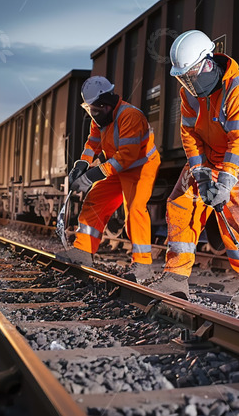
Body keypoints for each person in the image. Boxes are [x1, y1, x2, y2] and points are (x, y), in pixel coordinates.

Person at [146, 29, 239, 308]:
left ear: (208, 63)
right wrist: (199, 172)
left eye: (191, 75)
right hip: (207, 156)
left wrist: (224, 183)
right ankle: (175, 277)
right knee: (180, 204)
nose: (187, 82)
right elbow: (189, 133)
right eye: (183, 77)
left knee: (237, 216)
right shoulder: (190, 92)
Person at [55, 76, 161, 281]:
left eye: (94, 109)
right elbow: (92, 143)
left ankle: (142, 265)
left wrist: (93, 175)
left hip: (140, 167)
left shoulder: (130, 116)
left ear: (105, 105)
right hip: (116, 166)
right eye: (90, 109)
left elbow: (127, 157)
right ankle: (83, 252)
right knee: (94, 202)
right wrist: (82, 164)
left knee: (135, 210)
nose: (92, 114)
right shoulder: (100, 118)